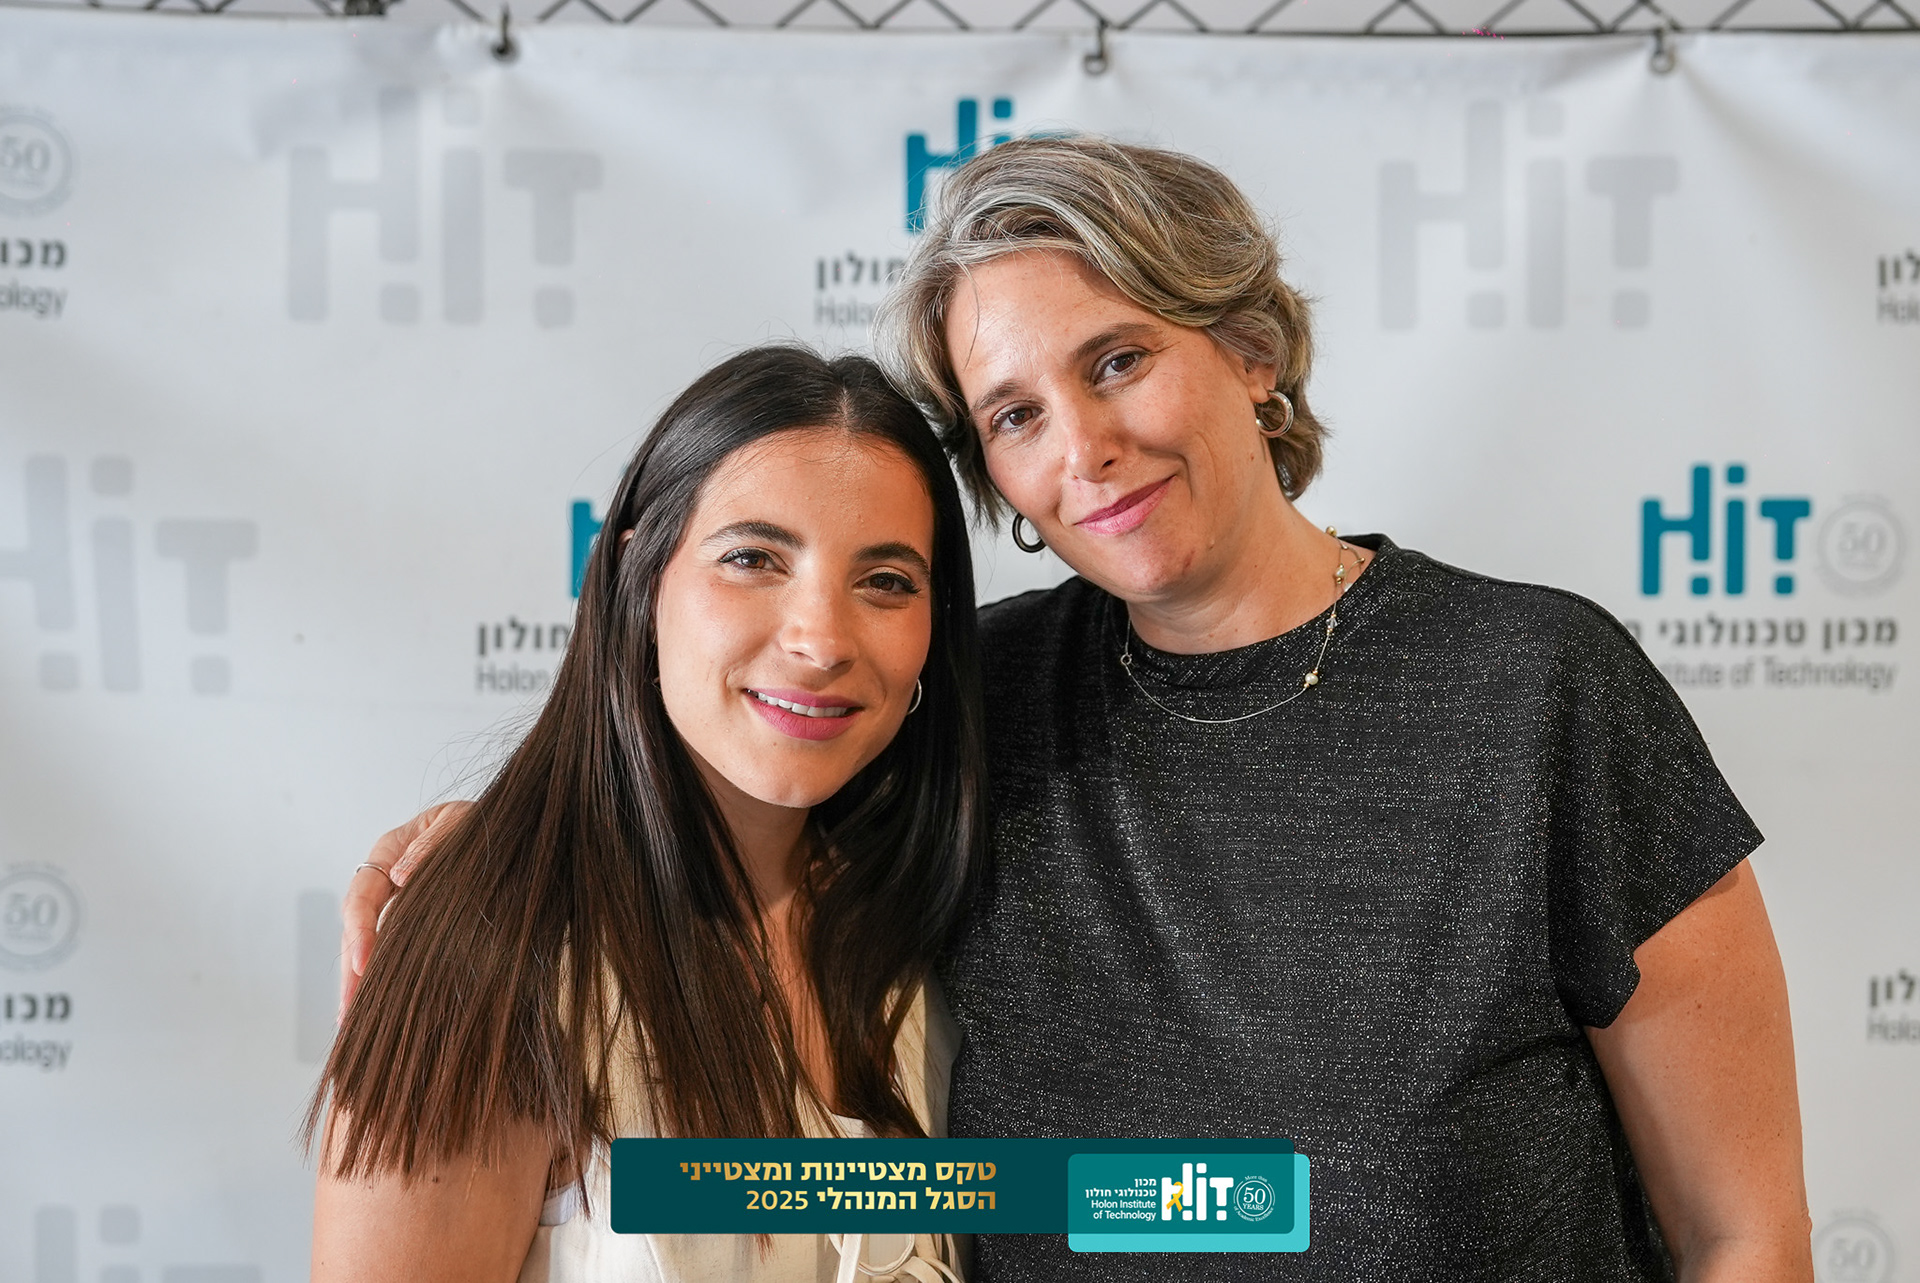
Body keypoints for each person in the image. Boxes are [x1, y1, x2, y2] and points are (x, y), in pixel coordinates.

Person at [345, 138, 1813, 1281]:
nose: (1085, 445)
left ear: (1249, 351)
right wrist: (500, 857)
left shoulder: (1540, 688)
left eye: (1117, 359)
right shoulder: (966, 698)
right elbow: (735, 765)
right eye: (1015, 414)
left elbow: (1744, 1232)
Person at [311, 346, 983, 1283]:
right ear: (636, 573)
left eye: (886, 582)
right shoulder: (490, 958)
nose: (821, 639)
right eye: (752, 558)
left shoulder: (927, 924)